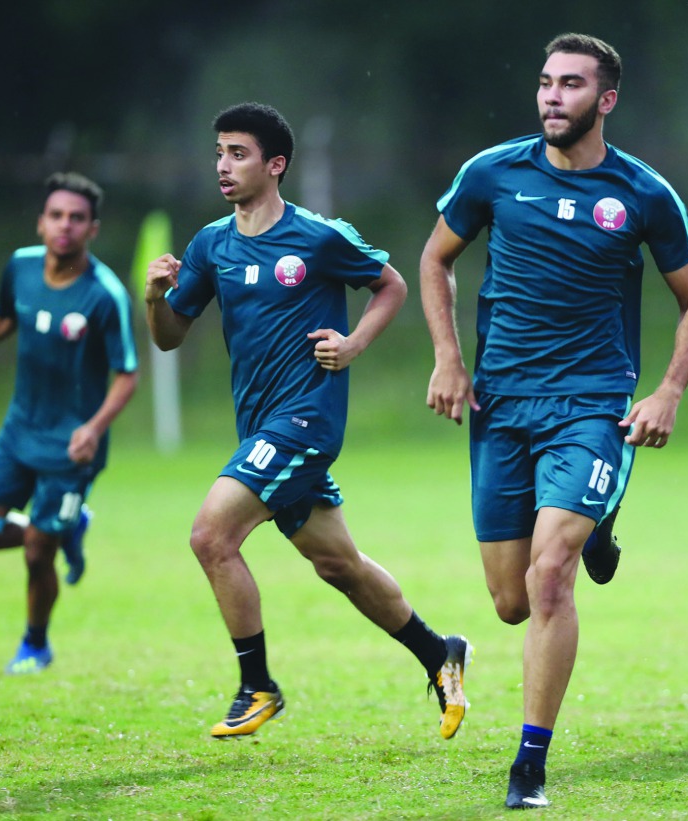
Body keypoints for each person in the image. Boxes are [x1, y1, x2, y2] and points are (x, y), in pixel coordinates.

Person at [420, 34, 688, 809]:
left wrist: (669, 392)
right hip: (502, 404)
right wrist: (448, 358)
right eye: (546, 83)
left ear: (605, 100)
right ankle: (602, 512)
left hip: (590, 405)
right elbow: (434, 259)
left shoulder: (644, 193)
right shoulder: (493, 173)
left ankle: (530, 762)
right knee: (510, 600)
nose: (552, 97)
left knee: (551, 577)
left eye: (571, 85)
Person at [144, 101, 471, 740]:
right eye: (219, 153)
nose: (224, 165)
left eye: (238, 154)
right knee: (339, 565)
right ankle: (442, 655)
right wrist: (155, 298)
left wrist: (352, 345)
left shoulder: (318, 236)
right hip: (261, 426)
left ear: (276, 164)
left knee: (211, 537)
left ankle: (256, 685)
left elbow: (392, 284)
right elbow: (168, 338)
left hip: (304, 423)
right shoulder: (211, 244)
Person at [0, 172, 140, 674]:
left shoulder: (105, 294)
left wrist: (94, 427)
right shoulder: (20, 267)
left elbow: (127, 375)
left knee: (36, 553)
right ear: (41, 223)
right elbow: (5, 318)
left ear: (93, 229)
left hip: (71, 449)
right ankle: (65, 530)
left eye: (77, 218)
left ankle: (35, 643)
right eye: (57, 215)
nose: (65, 225)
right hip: (18, 432)